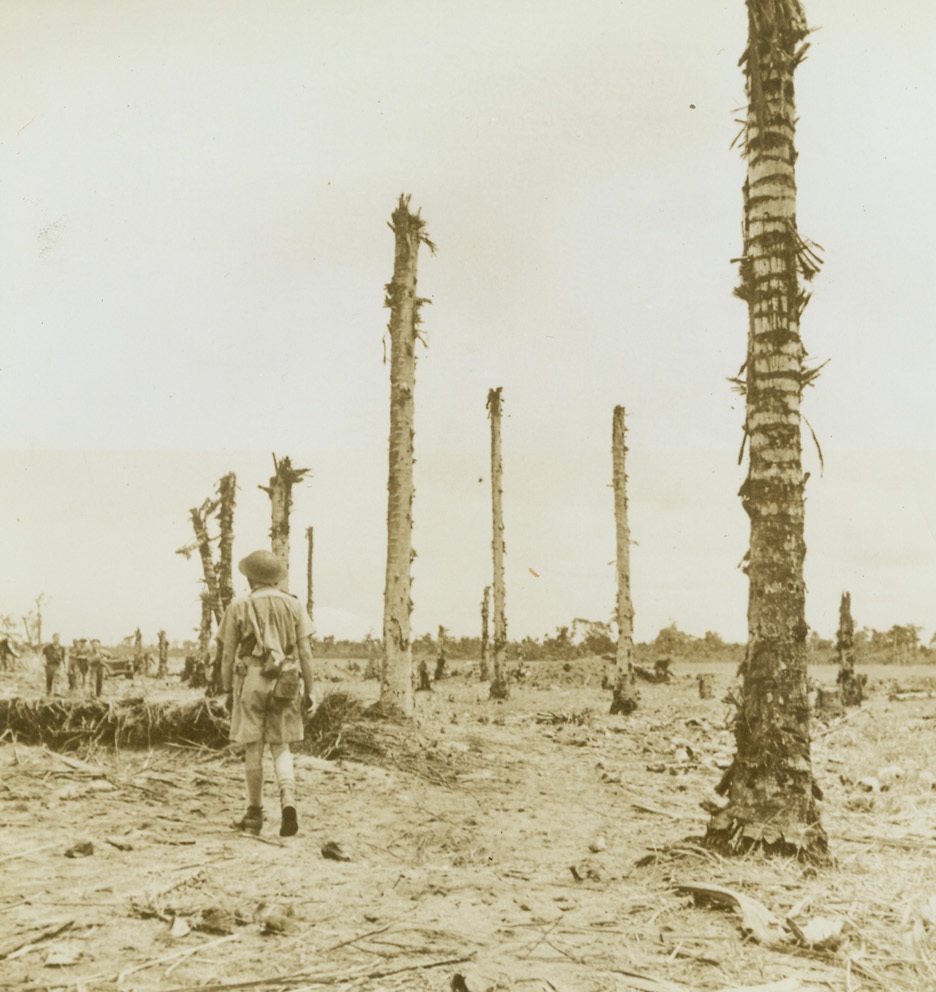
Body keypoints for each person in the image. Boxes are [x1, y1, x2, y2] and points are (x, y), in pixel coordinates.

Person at [219, 549, 314, 838]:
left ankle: (254, 815)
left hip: (251, 680)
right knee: (281, 745)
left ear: (250, 577)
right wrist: (310, 689)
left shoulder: (239, 605)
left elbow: (227, 654)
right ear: (275, 577)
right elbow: (306, 653)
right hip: (285, 680)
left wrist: (226, 689)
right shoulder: (294, 605)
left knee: (253, 748)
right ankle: (289, 803)